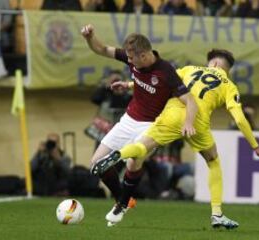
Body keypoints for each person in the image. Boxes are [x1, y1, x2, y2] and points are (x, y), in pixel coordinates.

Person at [93, 49, 259, 228]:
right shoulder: (229, 85)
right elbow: (240, 119)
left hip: (173, 114)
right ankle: (217, 213)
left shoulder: (189, 69)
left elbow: (159, 82)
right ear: (224, 68)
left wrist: (128, 84)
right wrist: (256, 147)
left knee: (142, 146)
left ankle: (119, 154)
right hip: (198, 123)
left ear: (213, 63)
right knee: (213, 162)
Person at [81, 25, 197, 206]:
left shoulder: (166, 72)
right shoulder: (132, 59)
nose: (128, 61)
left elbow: (190, 100)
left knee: (132, 163)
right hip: (128, 121)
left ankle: (122, 202)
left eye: (131, 58)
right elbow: (102, 49)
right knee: (96, 163)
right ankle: (123, 198)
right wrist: (90, 37)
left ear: (143, 55)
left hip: (150, 127)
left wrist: (188, 123)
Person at [86, 69, 132, 149]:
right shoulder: (105, 93)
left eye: (118, 81)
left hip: (121, 133)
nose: (116, 83)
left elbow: (123, 105)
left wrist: (123, 91)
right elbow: (94, 99)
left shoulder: (128, 96)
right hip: (103, 133)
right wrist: (105, 86)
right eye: (113, 81)